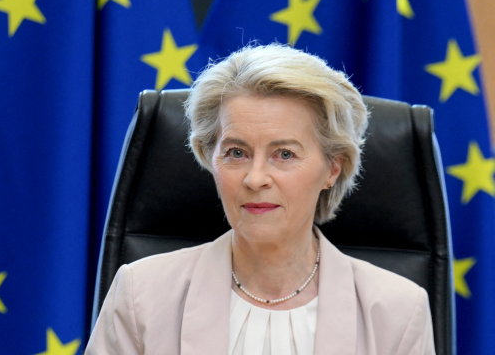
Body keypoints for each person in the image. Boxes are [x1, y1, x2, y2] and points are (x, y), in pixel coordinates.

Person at [85, 44, 435, 355]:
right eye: (236, 152)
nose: (255, 178)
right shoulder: (140, 295)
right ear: (210, 159)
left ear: (332, 168)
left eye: (284, 154)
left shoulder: (397, 311)